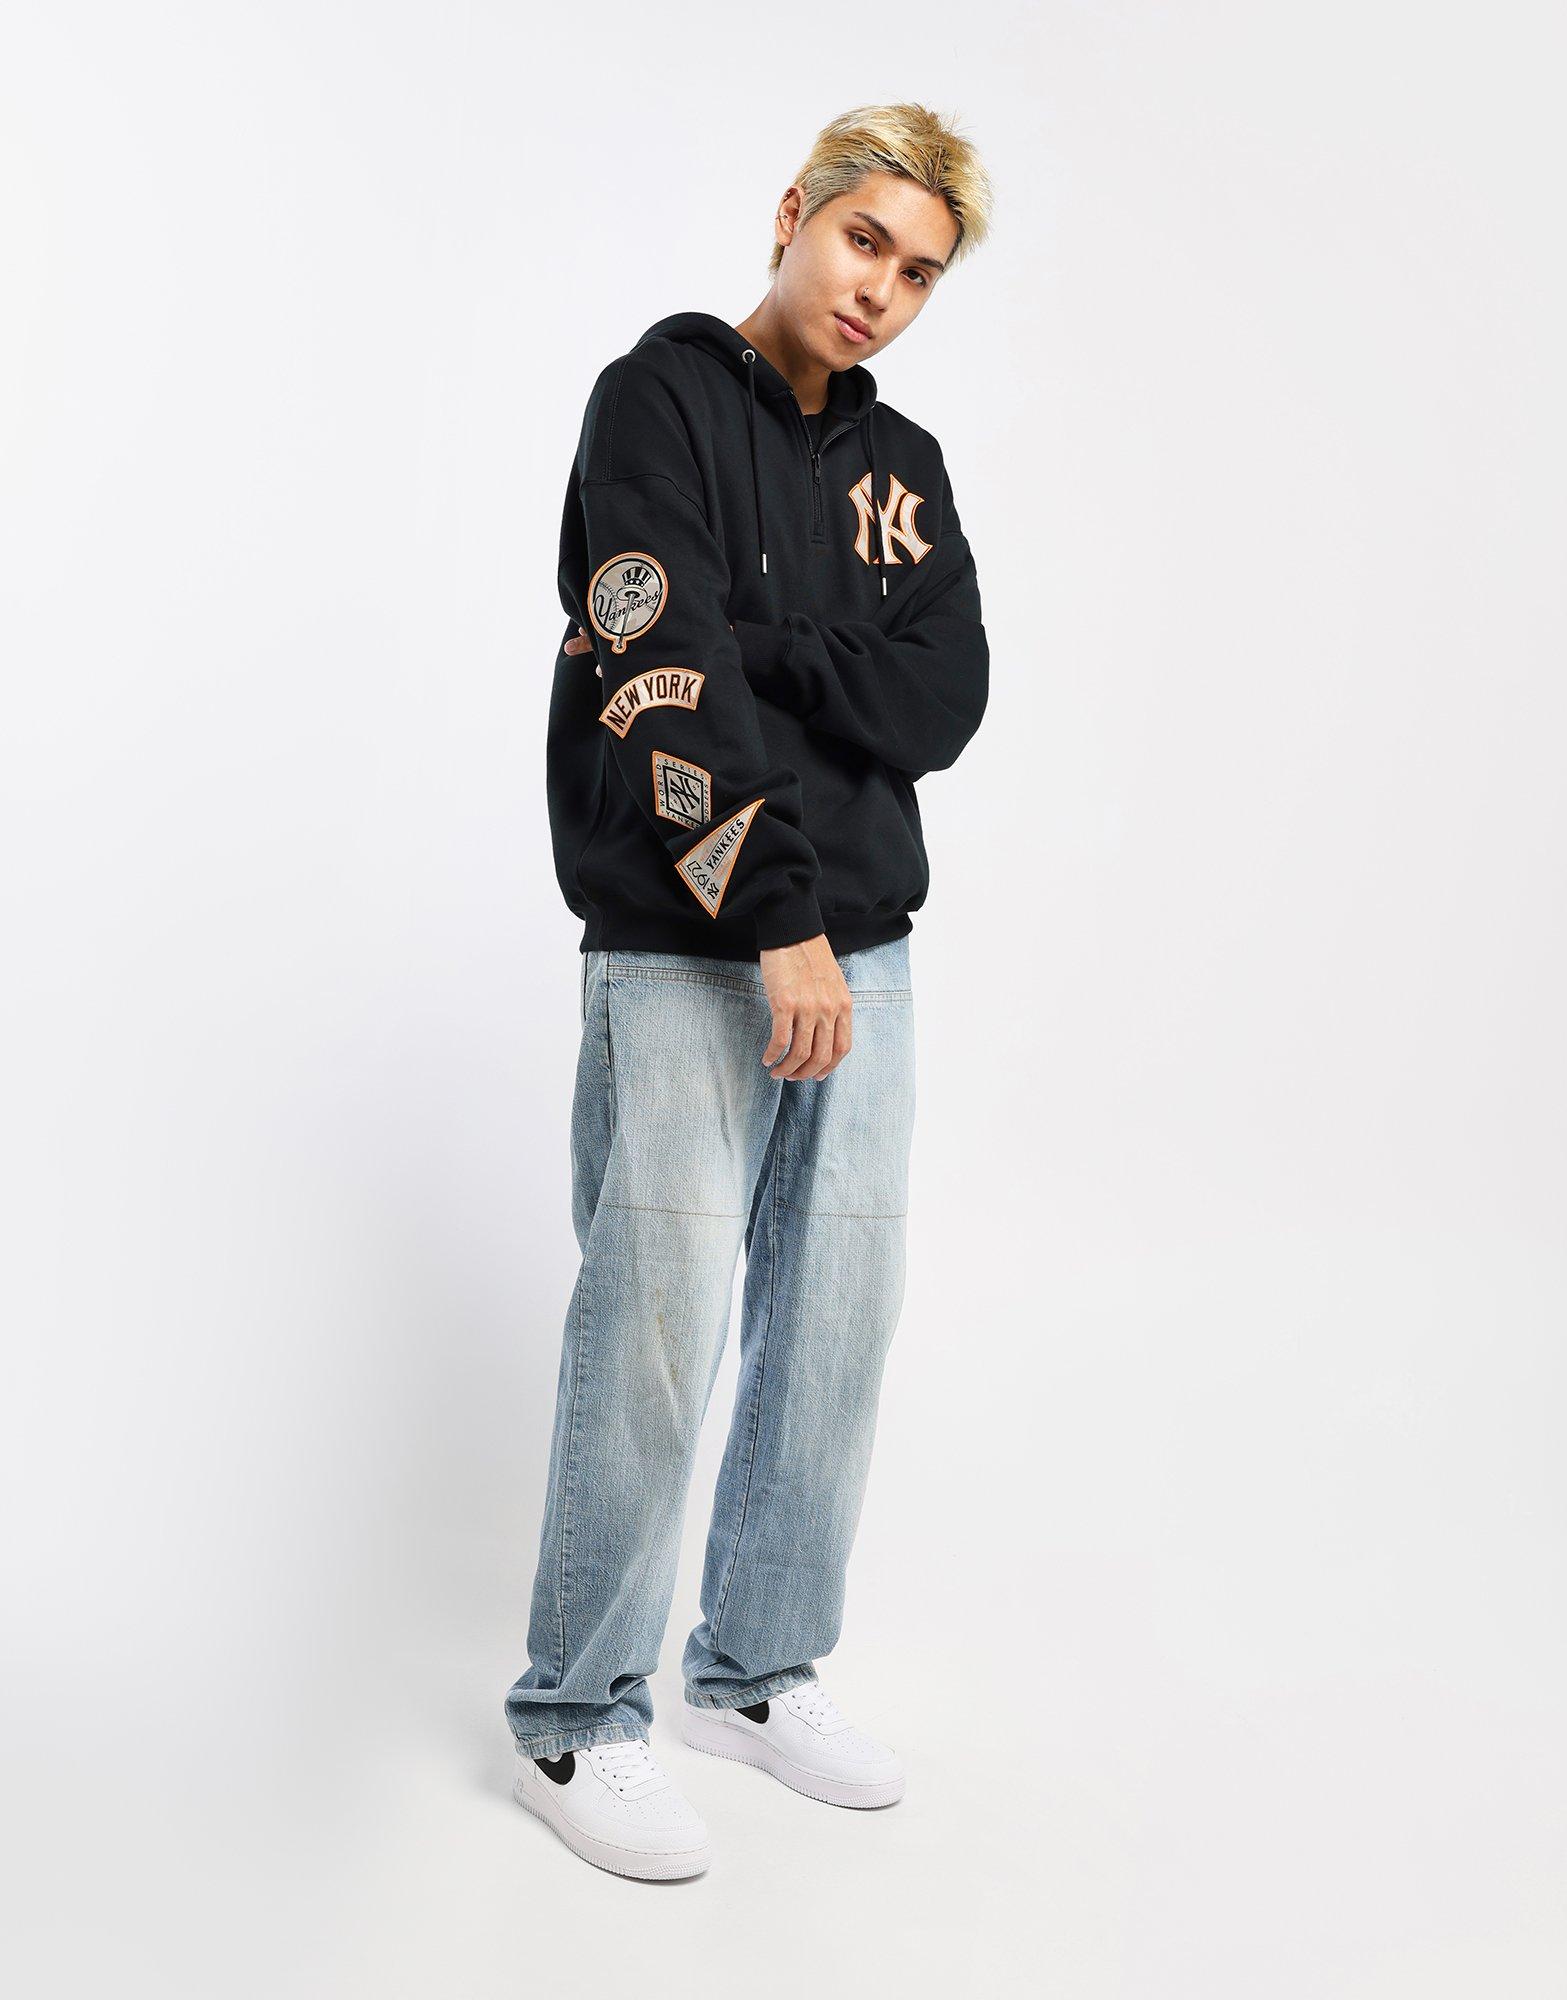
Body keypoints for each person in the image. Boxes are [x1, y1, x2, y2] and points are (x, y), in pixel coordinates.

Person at [504, 102, 995, 1880]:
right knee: (654, 1328)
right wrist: (776, 910)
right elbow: (660, 666)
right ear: (795, 213)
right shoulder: (654, 402)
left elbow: (947, 697)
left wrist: (763, 646)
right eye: (866, 241)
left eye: (919, 275)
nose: (881, 292)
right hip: (689, 943)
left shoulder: (904, 465)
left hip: (874, 947)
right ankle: (576, 1715)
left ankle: (756, 1672)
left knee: (835, 1326)